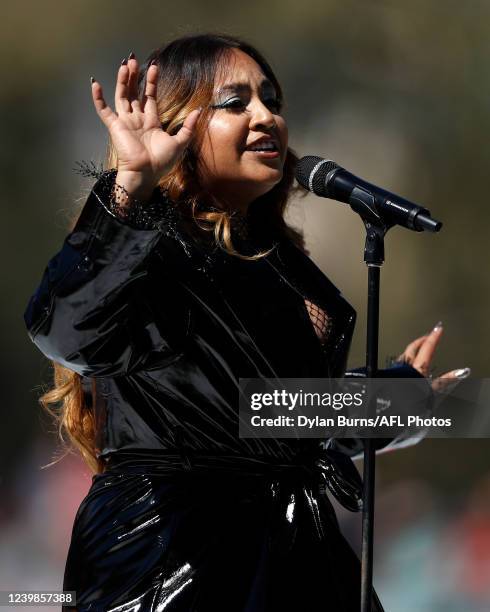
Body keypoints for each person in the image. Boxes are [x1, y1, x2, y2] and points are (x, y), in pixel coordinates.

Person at [24, 33, 467, 612]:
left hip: (293, 557)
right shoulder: (147, 251)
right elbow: (63, 332)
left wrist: (403, 398)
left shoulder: (285, 272)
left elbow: (267, 415)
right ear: (177, 125)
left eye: (273, 101)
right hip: (171, 559)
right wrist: (131, 191)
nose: (266, 117)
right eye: (235, 103)